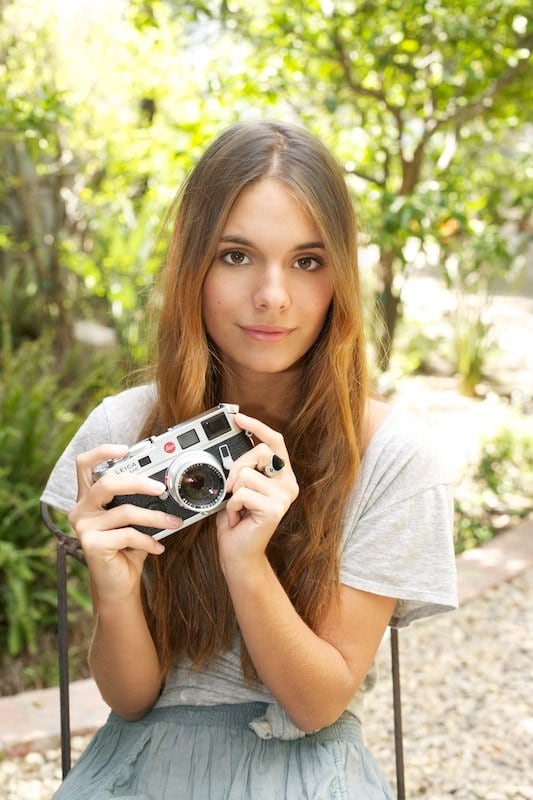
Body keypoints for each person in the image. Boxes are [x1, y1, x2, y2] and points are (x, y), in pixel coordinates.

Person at [41, 120, 457, 800]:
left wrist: (245, 561)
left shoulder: (388, 456)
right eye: (236, 256)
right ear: (192, 264)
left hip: (303, 769)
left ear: (340, 277)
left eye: (307, 261)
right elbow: (132, 697)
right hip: (141, 764)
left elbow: (316, 704)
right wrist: (113, 586)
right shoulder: (123, 430)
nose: (272, 295)